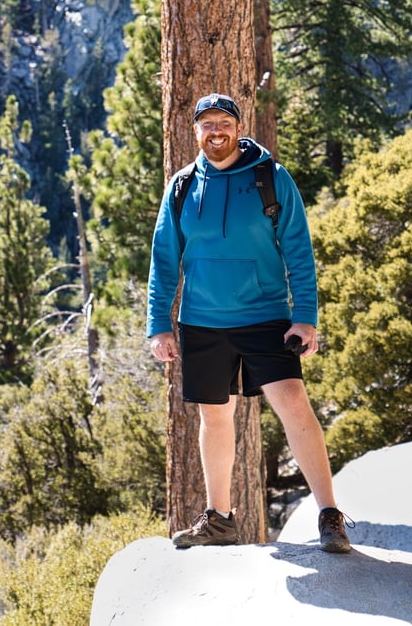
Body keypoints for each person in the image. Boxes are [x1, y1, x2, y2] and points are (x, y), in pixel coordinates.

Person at [146, 92, 352, 553]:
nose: (215, 131)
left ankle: (330, 516)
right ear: (194, 131)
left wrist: (305, 318)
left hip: (264, 316)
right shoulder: (181, 187)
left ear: (238, 127)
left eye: (223, 122)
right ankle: (219, 519)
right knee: (214, 417)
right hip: (201, 320)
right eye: (206, 124)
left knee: (294, 405)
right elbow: (164, 260)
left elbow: (299, 250)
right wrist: (159, 324)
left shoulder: (270, 178)